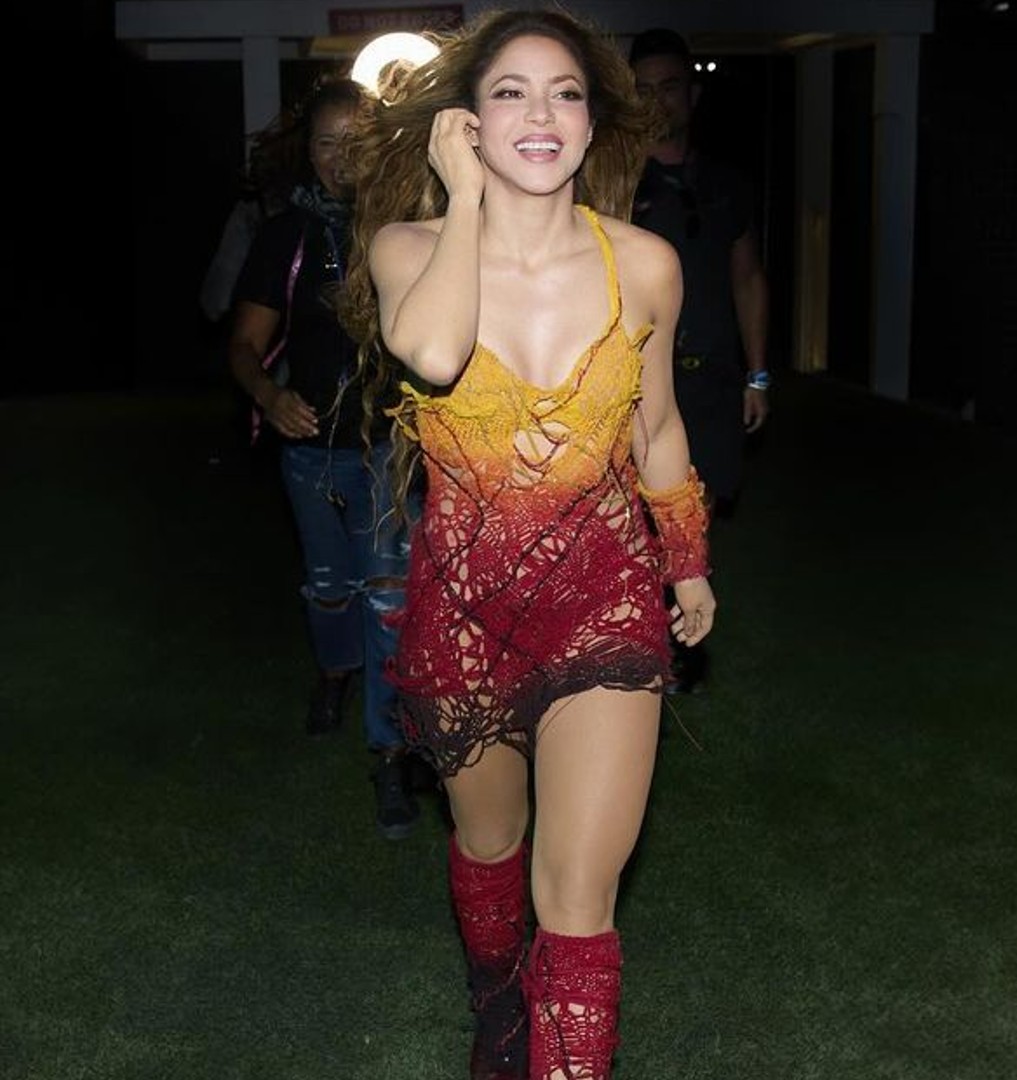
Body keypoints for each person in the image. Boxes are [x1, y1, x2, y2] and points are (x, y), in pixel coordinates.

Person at [338, 9, 716, 1077]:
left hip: (605, 599)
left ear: (592, 126)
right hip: (465, 610)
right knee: (490, 844)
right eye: (510, 92)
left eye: (565, 93)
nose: (541, 113)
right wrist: (463, 200)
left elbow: (656, 426)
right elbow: (431, 350)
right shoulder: (410, 247)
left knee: (579, 900)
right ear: (464, 122)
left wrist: (687, 557)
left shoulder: (645, 265)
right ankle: (497, 997)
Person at [227, 74, 421, 841]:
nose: (341, 157)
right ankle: (335, 671)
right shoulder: (287, 236)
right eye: (326, 143)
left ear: (379, 146)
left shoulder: (408, 228)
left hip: (388, 448)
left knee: (388, 599)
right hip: (310, 451)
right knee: (330, 589)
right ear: (308, 153)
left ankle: (391, 752)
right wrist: (268, 396)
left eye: (355, 142)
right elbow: (243, 345)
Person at [629, 26, 771, 694]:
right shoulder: (614, 183)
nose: (657, 101)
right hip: (638, 384)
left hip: (711, 380)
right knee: (635, 521)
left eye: (669, 87)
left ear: (692, 93)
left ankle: (678, 637)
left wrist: (758, 373)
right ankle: (635, 641)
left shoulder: (727, 183)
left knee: (694, 515)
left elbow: (748, 278)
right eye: (643, 89)